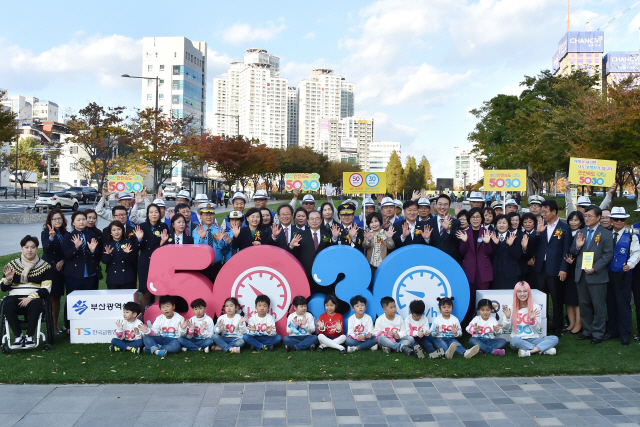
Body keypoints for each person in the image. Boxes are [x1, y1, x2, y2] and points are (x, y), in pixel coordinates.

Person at [570, 205, 614, 344]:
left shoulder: (605, 233)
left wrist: (595, 268)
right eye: (585, 216)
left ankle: (598, 333)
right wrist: (577, 246)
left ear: (598, 217)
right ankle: (587, 331)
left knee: (598, 306)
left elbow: (608, 255)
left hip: (597, 275)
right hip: (581, 275)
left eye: (590, 216)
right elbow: (573, 251)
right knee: (584, 305)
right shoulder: (580, 232)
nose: (586, 218)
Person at [1, 235, 52, 347]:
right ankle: (18, 336)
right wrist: (8, 279)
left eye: (32, 247)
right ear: (22, 249)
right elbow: (3, 288)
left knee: (37, 302)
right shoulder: (12, 265)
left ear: (37, 249)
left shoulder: (45, 266)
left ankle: (29, 336)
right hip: (14, 297)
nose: (29, 250)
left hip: (33, 298)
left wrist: (30, 297)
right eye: (26, 247)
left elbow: (46, 289)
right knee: (7, 303)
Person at [532, 200, 572, 336]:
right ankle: (543, 326)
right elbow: (533, 245)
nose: (543, 214)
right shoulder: (540, 225)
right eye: (542, 211)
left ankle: (557, 328)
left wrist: (564, 268)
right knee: (541, 300)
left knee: (557, 299)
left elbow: (566, 249)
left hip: (556, 269)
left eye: (545, 211)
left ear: (554, 212)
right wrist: (537, 233)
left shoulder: (564, 228)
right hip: (541, 268)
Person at [605, 207, 639, 345]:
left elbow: (637, 252)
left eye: (622, 219)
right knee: (611, 303)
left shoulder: (631, 235)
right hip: (608, 274)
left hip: (624, 275)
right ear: (611, 220)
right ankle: (614, 331)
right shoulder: (606, 234)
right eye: (616, 219)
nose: (619, 221)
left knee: (623, 304)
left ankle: (625, 334)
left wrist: (630, 264)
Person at [62, 211, 100, 329]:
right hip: (73, 275)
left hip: (90, 273)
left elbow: (97, 255)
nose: (82, 222)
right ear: (73, 222)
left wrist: (93, 251)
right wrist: (76, 248)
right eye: (78, 220)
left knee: (89, 300)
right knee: (72, 301)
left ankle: (88, 324)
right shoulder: (68, 236)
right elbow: (67, 256)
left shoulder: (91, 234)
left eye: (83, 219)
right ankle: (69, 325)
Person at [286, 211, 338, 293]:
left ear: (321, 220)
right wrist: (291, 246)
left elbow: (331, 252)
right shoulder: (300, 235)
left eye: (317, 219)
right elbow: (292, 255)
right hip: (305, 273)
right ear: (308, 221)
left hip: (322, 273)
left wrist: (334, 238)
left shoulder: (327, 235)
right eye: (312, 219)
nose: (314, 221)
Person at [503, 281, 558, 357]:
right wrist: (507, 318)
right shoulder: (510, 307)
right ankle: (543, 349)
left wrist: (532, 320)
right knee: (514, 341)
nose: (522, 294)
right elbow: (505, 327)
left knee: (554, 338)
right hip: (519, 340)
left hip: (534, 339)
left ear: (528, 292)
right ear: (516, 293)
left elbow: (537, 329)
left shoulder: (535, 307)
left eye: (525, 291)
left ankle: (528, 352)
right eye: (519, 291)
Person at [457, 208, 493, 315]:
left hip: (483, 270)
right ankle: (468, 323)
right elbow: (462, 251)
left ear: (482, 218)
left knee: (483, 298)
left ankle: (483, 321)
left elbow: (490, 252)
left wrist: (487, 243)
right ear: (469, 219)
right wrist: (464, 241)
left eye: (478, 217)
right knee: (470, 297)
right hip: (469, 270)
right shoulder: (464, 233)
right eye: (473, 217)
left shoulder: (488, 232)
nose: (475, 219)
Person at [134, 203, 169, 309]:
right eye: (151, 212)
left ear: (159, 214)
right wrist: (139, 239)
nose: (154, 214)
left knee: (158, 290)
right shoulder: (142, 227)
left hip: (159, 263)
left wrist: (162, 243)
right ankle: (144, 318)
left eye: (156, 212)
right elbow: (137, 248)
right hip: (145, 262)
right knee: (146, 292)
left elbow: (167, 246)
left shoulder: (163, 226)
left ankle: (157, 317)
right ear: (147, 214)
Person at [41, 209, 67, 334]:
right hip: (49, 269)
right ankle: (50, 325)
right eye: (54, 219)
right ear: (50, 221)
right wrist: (51, 238)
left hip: (60, 270)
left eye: (59, 218)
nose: (57, 221)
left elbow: (67, 252)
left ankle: (55, 325)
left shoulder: (66, 233)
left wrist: (63, 260)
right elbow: (46, 249)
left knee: (56, 297)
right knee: (49, 297)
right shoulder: (46, 233)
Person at [193, 203, 227, 283]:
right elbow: (197, 249)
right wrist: (201, 238)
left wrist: (220, 241)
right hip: (203, 267)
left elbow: (223, 249)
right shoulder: (196, 231)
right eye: (205, 215)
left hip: (217, 266)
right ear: (201, 216)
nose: (209, 217)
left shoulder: (219, 230)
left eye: (211, 214)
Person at [563, 211, 584, 335]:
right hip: (566, 269)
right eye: (571, 220)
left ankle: (578, 324)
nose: (573, 222)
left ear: (581, 222)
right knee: (568, 298)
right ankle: (571, 323)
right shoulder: (566, 232)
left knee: (577, 299)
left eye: (576, 220)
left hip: (577, 269)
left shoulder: (583, 233)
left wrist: (574, 262)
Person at [101, 221, 138, 290]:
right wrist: (108, 254)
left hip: (127, 278)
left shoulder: (129, 243)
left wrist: (127, 254)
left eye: (119, 229)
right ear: (110, 232)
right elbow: (104, 261)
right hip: (113, 278)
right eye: (114, 230)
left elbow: (134, 260)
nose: (116, 232)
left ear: (122, 230)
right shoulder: (107, 244)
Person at [490, 215, 522, 290]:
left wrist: (511, 245)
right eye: (499, 223)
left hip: (511, 272)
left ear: (508, 225)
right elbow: (489, 255)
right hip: (496, 272)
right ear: (495, 225)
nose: (501, 225)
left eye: (504, 223)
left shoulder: (514, 236)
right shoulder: (491, 236)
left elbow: (518, 255)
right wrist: (495, 244)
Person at [425, 194, 461, 261]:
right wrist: (427, 239)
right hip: (433, 259)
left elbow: (458, 239)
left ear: (449, 206)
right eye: (440, 204)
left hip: (450, 259)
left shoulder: (456, 222)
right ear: (436, 205)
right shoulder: (429, 223)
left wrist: (448, 230)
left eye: (445, 204)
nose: (442, 207)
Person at [84, 208, 103, 289]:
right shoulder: (79, 231)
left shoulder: (98, 233)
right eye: (89, 217)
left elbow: (101, 251)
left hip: (94, 266)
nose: (91, 220)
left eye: (94, 218)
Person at [519, 213, 538, 286]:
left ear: (534, 223)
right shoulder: (520, 235)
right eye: (525, 222)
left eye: (530, 222)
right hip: (525, 269)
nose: (527, 224)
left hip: (537, 268)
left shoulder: (539, 234)